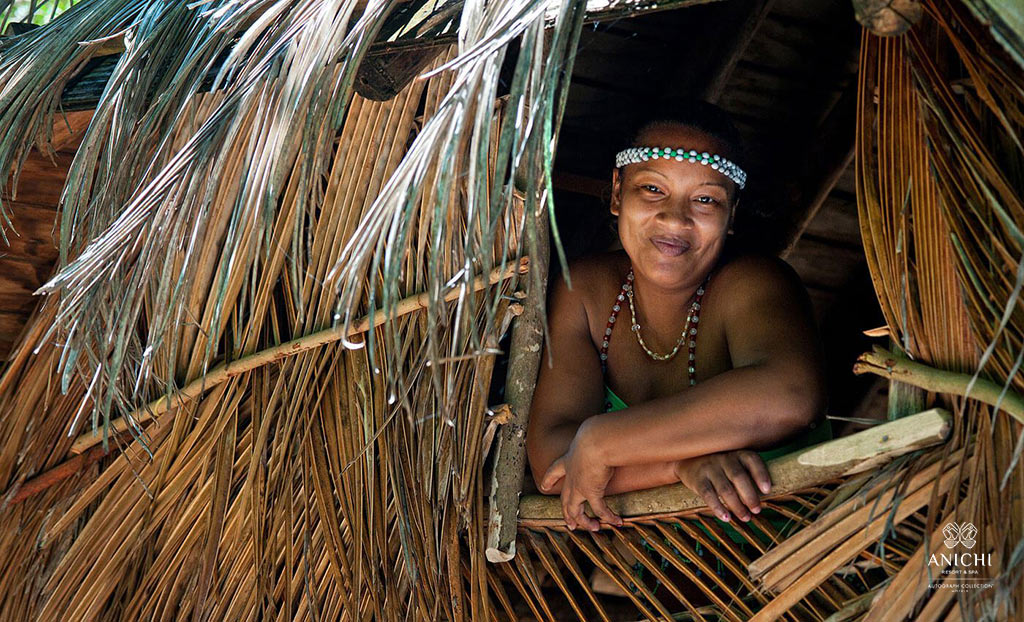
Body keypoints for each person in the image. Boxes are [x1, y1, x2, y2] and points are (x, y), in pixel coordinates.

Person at [525, 101, 833, 538]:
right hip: (672, 583)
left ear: (732, 216)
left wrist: (601, 443)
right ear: (617, 193)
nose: (674, 217)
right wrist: (680, 463)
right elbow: (554, 466)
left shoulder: (751, 284)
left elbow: (792, 395)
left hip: (802, 559)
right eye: (652, 189)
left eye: (705, 199)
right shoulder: (586, 293)